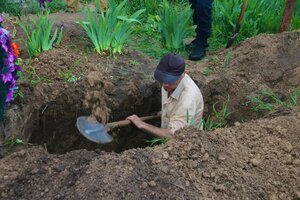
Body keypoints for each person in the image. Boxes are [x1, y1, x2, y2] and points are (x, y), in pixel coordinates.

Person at [126, 53, 204, 138]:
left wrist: (141, 124)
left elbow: (173, 135)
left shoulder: (188, 100)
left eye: (169, 80)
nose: (164, 85)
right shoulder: (169, 84)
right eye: (162, 79)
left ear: (184, 74)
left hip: (187, 144)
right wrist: (166, 112)